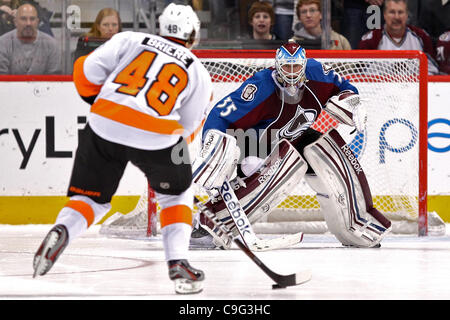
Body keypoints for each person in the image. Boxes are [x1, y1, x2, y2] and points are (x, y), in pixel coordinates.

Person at [32, 3, 213, 295]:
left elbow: (86, 73)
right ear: (193, 34)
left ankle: (62, 230)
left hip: (103, 123)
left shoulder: (130, 39)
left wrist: (105, 104)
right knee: (176, 194)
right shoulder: (198, 70)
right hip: (156, 136)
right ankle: (178, 261)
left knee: (90, 199)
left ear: (160, 28)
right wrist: (168, 158)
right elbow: (188, 127)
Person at [191, 40, 392, 249]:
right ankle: (208, 227)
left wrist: (352, 101)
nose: (292, 72)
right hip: (258, 144)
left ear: (304, 65)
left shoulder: (317, 73)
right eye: (287, 66)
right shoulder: (260, 87)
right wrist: (213, 144)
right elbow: (220, 115)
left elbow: (344, 87)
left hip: (297, 136)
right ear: (277, 65)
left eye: (297, 67)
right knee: (269, 169)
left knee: (330, 152)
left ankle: (358, 225)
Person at [358, 0, 440, 75]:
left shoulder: (422, 37)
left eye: (400, 12)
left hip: (415, 89)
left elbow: (433, 71)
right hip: (380, 89)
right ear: (384, 15)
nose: (396, 17)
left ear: (407, 15)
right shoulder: (371, 40)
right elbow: (361, 74)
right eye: (392, 12)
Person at [0, 2, 60, 74]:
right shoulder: (2, 43)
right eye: (23, 19)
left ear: (37, 22)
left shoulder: (51, 45)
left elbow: (54, 81)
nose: (28, 23)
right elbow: (2, 81)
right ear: (15, 22)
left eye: (32, 19)